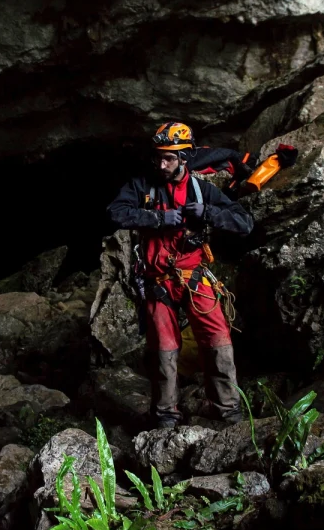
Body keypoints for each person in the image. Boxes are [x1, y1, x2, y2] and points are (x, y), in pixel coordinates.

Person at [107, 122, 255, 427]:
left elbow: (245, 223)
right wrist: (157, 218)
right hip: (158, 282)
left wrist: (209, 213)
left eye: (169, 158)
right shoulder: (142, 185)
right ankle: (165, 417)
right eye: (158, 157)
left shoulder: (202, 190)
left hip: (195, 278)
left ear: (184, 157)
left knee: (218, 341)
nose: (161, 164)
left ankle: (228, 413)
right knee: (164, 349)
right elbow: (115, 212)